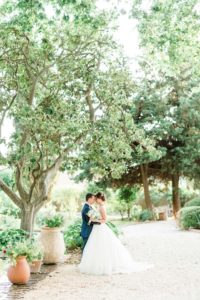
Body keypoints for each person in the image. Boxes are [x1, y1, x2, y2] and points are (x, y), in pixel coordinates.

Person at [79, 192, 153, 275]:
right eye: (94, 198)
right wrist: (94, 220)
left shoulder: (101, 207)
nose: (95, 200)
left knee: (100, 247)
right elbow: (90, 219)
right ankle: (90, 263)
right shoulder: (89, 207)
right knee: (92, 247)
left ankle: (99, 265)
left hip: (100, 227)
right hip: (94, 229)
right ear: (89, 198)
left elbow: (104, 220)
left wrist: (95, 220)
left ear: (100, 199)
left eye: (96, 198)